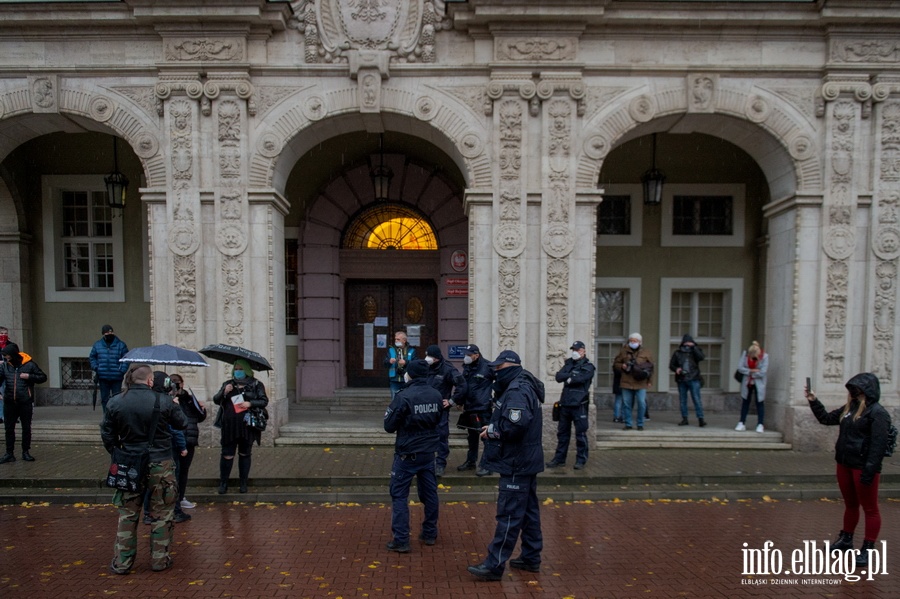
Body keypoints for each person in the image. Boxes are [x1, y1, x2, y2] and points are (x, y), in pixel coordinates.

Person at [100, 363, 188, 574]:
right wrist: (174, 403)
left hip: (130, 462)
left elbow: (107, 434)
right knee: (163, 513)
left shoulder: (115, 402)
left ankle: (123, 562)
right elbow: (182, 423)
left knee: (128, 514)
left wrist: (118, 452)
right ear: (150, 381)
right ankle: (160, 559)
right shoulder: (164, 401)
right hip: (161, 463)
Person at [467, 350, 544, 581]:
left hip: (516, 461)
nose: (495, 372)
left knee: (508, 515)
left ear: (509, 367)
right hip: (525, 460)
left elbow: (515, 425)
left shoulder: (517, 390)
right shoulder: (520, 385)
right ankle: (531, 557)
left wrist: (492, 431)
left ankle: (494, 565)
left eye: (498, 369)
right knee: (529, 513)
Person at [806, 373, 892, 567]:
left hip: (863, 467)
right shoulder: (849, 408)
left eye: (856, 388)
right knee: (850, 505)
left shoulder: (878, 413)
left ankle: (867, 550)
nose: (853, 392)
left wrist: (870, 472)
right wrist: (813, 400)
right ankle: (846, 540)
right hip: (844, 463)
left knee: (870, 509)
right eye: (851, 388)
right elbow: (826, 419)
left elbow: (878, 447)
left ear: (867, 390)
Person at [383, 359, 442, 552]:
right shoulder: (436, 394)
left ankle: (401, 540)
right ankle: (430, 532)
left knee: (399, 495)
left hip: (407, 454)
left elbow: (389, 426)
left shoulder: (404, 396)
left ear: (411, 374)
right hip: (428, 453)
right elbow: (438, 420)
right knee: (430, 494)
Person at [212, 359, 269, 494]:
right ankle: (223, 483)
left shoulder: (256, 384)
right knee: (227, 454)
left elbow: (264, 401)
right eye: (236, 369)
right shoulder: (228, 384)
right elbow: (216, 400)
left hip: (247, 425)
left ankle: (243, 483)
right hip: (229, 426)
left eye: (240, 369)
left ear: (247, 370)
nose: (238, 371)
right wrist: (224, 392)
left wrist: (250, 403)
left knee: (245, 453)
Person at [547, 341, 595, 470]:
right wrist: (570, 376)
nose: (575, 352)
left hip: (579, 404)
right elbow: (558, 376)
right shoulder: (569, 363)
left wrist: (569, 378)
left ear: (583, 351)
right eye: (573, 349)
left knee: (581, 434)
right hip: (565, 403)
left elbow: (581, 379)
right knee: (562, 434)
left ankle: (581, 460)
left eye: (577, 350)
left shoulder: (588, 366)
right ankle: (559, 459)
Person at [423, 344, 466, 478]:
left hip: (440, 409)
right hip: (424, 408)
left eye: (429, 356)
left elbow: (462, 385)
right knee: (425, 435)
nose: (426, 358)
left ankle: (440, 463)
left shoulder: (447, 369)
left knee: (441, 435)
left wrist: (452, 401)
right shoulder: (425, 367)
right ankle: (426, 463)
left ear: (436, 358)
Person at [0, 343, 47, 464]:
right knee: (9, 428)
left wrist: (29, 376)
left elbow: (42, 377)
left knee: (26, 427)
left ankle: (25, 452)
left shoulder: (29, 364)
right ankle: (9, 453)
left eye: (7, 356)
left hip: (25, 401)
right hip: (10, 402)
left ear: (13, 355)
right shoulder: (5, 366)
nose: (6, 358)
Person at [169, 373, 206, 511]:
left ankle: (181, 496)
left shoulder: (189, 399)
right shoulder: (168, 399)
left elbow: (199, 417)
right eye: (172, 382)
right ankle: (172, 498)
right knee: (174, 471)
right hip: (174, 441)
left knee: (184, 470)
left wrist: (202, 409)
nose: (176, 384)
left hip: (189, 439)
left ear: (182, 383)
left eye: (177, 382)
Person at [456, 344, 494, 476]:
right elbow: (463, 385)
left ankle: (487, 465)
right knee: (471, 437)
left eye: (469, 355)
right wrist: (460, 401)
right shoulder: (467, 367)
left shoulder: (488, 367)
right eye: (465, 354)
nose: (466, 357)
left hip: (482, 408)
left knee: (486, 437)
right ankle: (471, 461)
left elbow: (500, 383)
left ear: (476, 355)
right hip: (469, 407)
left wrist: (495, 400)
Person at [613, 333, 653, 431]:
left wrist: (649, 380)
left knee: (641, 403)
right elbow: (615, 363)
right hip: (626, 381)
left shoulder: (646, 352)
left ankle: (640, 423)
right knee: (627, 404)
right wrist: (622, 366)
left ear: (639, 342)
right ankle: (628, 423)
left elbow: (651, 367)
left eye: (635, 341)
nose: (633, 342)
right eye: (631, 340)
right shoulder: (624, 351)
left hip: (641, 382)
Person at [89, 324, 129, 413]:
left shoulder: (121, 345)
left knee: (117, 399)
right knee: (104, 399)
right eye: (107, 333)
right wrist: (96, 367)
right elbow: (92, 357)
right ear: (103, 334)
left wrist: (121, 371)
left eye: (111, 332)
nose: (109, 335)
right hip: (103, 376)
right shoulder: (97, 345)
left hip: (116, 377)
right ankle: (106, 416)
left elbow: (126, 359)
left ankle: (116, 415)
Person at [669, 334, 706, 427]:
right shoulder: (677, 353)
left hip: (694, 378)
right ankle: (684, 418)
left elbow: (701, 357)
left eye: (689, 342)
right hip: (681, 379)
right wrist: (677, 369)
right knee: (682, 400)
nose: (687, 345)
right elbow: (671, 365)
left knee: (697, 399)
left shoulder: (695, 351)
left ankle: (701, 418)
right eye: (686, 342)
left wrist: (694, 347)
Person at [735, 341, 768, 433]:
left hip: (758, 382)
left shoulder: (764, 356)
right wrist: (752, 371)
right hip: (747, 382)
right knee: (745, 401)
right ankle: (741, 422)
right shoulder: (745, 354)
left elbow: (763, 372)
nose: (752, 357)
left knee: (759, 402)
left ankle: (760, 424)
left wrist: (751, 373)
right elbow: (740, 368)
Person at [384, 330, 416, 399]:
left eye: (398, 339)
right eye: (395, 339)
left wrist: (406, 362)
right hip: (394, 380)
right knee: (394, 400)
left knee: (408, 400)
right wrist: (389, 361)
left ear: (404, 340)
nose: (396, 341)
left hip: (408, 380)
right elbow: (385, 363)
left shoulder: (412, 350)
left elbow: (416, 363)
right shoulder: (391, 350)